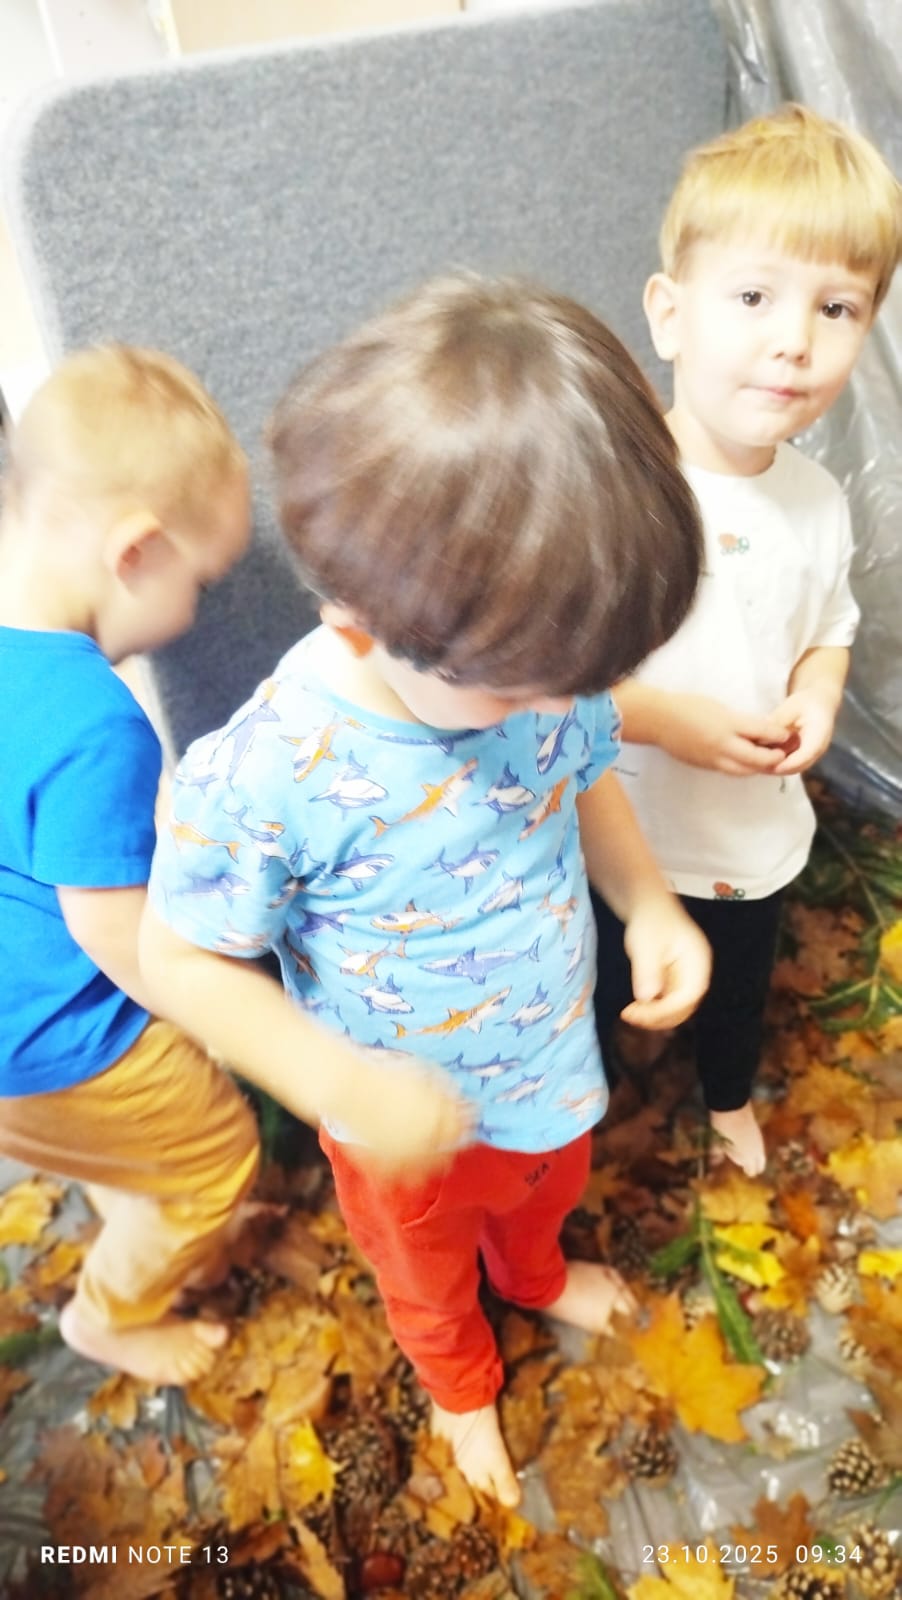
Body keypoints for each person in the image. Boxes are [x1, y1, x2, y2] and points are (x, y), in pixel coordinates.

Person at [140, 273, 711, 1505]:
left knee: (542, 1198)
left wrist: (649, 901)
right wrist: (334, 1081)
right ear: (356, 620)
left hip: (547, 1060)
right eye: (519, 688)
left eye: (579, 678)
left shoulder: (539, 670)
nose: (555, 705)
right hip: (397, 1123)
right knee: (426, 1269)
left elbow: (582, 774)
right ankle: (458, 1381)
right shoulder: (276, 768)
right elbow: (173, 955)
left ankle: (535, 1277)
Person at [591, 104, 902, 1178]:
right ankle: (588, 1102)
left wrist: (818, 695)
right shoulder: (618, 495)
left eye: (835, 307)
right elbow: (544, 687)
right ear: (670, 315)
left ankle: (725, 1098)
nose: (794, 340)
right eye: (755, 297)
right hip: (614, 834)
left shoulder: (817, 501)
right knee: (601, 987)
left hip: (746, 840)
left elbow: (829, 628)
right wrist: (664, 719)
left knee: (735, 993)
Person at [0, 345, 261, 1386]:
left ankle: (131, 1195)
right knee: (217, 1156)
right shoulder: (95, 726)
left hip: (14, 1039)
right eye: (201, 581)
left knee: (114, 1149)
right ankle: (107, 1317)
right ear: (138, 552)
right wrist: (223, 1014)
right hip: (71, 1036)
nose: (196, 610)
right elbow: (114, 935)